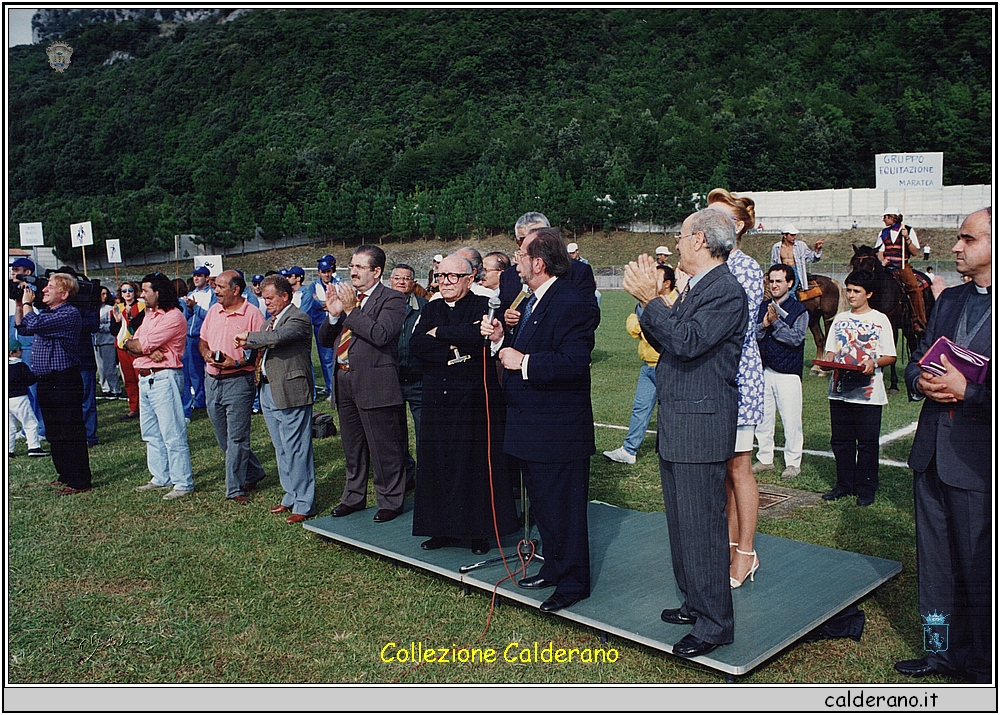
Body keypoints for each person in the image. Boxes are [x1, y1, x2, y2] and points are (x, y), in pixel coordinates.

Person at [622, 207, 747, 658]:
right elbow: (669, 339)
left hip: (700, 425)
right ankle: (696, 602)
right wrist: (651, 303)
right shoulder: (700, 287)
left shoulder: (726, 291)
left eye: (680, 236)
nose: (675, 244)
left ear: (699, 240)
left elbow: (686, 341)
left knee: (701, 528)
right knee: (682, 524)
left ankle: (715, 625)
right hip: (681, 421)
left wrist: (653, 301)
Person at [894, 207, 991, 684]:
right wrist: (920, 382)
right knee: (934, 567)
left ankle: (981, 667)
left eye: (967, 239)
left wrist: (967, 391)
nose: (956, 247)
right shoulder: (949, 299)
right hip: (930, 453)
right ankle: (939, 655)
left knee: (980, 573)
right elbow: (918, 357)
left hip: (978, 463)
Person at [480, 227, 596, 614]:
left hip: (558, 431)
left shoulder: (570, 302)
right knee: (546, 508)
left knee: (564, 511)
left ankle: (573, 582)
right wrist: (501, 341)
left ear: (539, 263)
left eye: (522, 254)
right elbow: (522, 351)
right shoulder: (533, 301)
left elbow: (574, 362)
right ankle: (554, 569)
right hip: (534, 428)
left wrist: (524, 361)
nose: (516, 260)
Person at [411, 254, 518, 554]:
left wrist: (441, 333)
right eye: (440, 276)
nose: (444, 282)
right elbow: (417, 345)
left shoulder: (484, 306)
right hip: (437, 398)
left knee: (472, 466)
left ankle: (478, 532)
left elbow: (481, 336)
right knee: (437, 463)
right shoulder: (431, 307)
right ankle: (440, 529)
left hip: (472, 398)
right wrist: (454, 346)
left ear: (470, 279)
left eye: (452, 276)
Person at [319, 245, 409, 523]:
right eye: (352, 266)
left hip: (375, 381)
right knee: (352, 445)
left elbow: (381, 334)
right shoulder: (349, 300)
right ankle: (353, 496)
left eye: (360, 267)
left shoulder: (392, 299)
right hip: (344, 378)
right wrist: (335, 315)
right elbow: (324, 340)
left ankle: (390, 500)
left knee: (384, 446)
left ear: (377, 271)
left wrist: (350, 311)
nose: (353, 272)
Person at [707, 188, 765, 590]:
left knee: (739, 467)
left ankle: (746, 552)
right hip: (715, 378)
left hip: (739, 378)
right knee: (726, 471)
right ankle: (729, 546)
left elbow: (731, 329)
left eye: (717, 217)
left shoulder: (745, 268)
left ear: (738, 226)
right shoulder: (710, 266)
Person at [236, 274, 316, 523]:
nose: (266, 302)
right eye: (263, 297)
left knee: (296, 449)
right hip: (268, 390)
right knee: (281, 448)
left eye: (270, 297)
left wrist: (248, 338)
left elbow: (277, 339)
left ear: (285, 296)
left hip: (291, 392)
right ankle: (290, 495)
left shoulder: (298, 319)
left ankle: (305, 503)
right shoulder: (268, 323)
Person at [820, 270, 896, 507]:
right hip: (840, 390)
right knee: (841, 441)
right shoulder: (840, 319)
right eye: (849, 290)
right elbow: (830, 349)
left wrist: (873, 363)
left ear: (869, 294)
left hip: (868, 394)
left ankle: (866, 488)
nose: (851, 295)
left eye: (857, 291)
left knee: (866, 442)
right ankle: (844, 484)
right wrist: (829, 359)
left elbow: (890, 355)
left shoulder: (880, 319)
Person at [14, 272, 94, 494]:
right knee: (54, 430)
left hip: (64, 378)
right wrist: (20, 304)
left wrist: (29, 303)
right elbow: (24, 328)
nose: (44, 290)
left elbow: (35, 323)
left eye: (50, 286)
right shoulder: (49, 313)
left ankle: (80, 480)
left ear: (64, 294)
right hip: (48, 380)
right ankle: (65, 473)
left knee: (70, 430)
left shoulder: (69, 313)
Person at [199, 270, 267, 504]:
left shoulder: (253, 314)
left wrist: (235, 362)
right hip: (212, 381)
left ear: (235, 290)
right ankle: (255, 471)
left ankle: (235, 488)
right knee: (223, 438)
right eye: (215, 286)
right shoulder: (213, 311)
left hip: (238, 382)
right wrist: (207, 353)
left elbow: (258, 349)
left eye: (219, 287)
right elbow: (203, 340)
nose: (215, 290)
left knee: (237, 438)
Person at [126, 273, 194, 500]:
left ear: (159, 292)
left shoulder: (173, 317)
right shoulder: (148, 315)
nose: (141, 295)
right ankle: (160, 476)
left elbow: (139, 344)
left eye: (145, 291)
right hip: (145, 377)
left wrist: (140, 346)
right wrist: (140, 347)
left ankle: (183, 481)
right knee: (151, 433)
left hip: (164, 378)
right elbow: (130, 341)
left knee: (172, 433)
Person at [603, 264, 677, 464]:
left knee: (669, 412)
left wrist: (644, 328)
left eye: (657, 279)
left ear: (668, 283)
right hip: (647, 367)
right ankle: (629, 450)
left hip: (667, 367)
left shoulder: (674, 303)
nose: (652, 282)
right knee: (640, 408)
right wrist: (643, 327)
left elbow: (662, 332)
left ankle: (670, 452)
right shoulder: (646, 302)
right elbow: (632, 322)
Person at [752, 264, 809, 480]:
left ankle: (793, 463)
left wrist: (775, 323)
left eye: (779, 281)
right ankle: (765, 458)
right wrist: (764, 324)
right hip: (765, 369)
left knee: (791, 420)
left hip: (788, 373)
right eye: (771, 281)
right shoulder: (763, 306)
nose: (774, 285)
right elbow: (754, 336)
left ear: (790, 283)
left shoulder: (799, 310)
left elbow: (796, 338)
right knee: (764, 419)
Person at [389, 263, 427, 488]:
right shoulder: (382, 307)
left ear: (413, 283)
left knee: (424, 429)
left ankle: (425, 475)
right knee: (395, 432)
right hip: (391, 378)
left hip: (418, 378)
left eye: (407, 278)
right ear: (390, 280)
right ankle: (404, 474)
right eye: (397, 278)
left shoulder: (424, 306)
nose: (402, 282)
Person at [875, 206, 927, 330]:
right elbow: (880, 251)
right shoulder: (883, 232)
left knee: (914, 289)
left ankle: (919, 321)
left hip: (902, 267)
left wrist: (907, 238)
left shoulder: (908, 230)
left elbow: (914, 252)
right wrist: (882, 261)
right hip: (887, 268)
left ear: (892, 218)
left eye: (885, 217)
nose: (883, 220)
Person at [9, 257, 45, 435]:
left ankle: (38, 427)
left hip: (31, 344)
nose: (13, 272)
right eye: (12, 269)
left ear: (28, 272)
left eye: (17, 269)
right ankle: (27, 425)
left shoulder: (34, 292)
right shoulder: (13, 290)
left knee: (34, 388)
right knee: (23, 390)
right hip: (16, 344)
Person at [304, 258, 341, 398]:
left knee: (341, 357)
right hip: (321, 325)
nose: (326, 274)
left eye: (328, 271)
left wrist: (324, 303)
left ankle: (340, 388)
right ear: (319, 273)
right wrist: (327, 303)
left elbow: (342, 300)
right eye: (323, 272)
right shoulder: (313, 286)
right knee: (326, 359)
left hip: (337, 324)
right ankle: (331, 389)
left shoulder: (339, 283)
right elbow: (313, 303)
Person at [182, 266, 216, 416]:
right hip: (191, 337)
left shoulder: (212, 294)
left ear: (207, 278)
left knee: (209, 368)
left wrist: (195, 307)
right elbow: (187, 317)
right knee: (194, 371)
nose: (196, 278)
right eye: (194, 275)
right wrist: (188, 309)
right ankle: (200, 400)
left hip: (205, 337)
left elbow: (210, 316)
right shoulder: (191, 294)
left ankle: (210, 398)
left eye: (199, 276)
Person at [8, 338, 47, 458]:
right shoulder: (20, 366)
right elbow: (29, 380)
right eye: (19, 350)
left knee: (9, 426)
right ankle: (34, 447)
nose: (22, 352)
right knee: (30, 423)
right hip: (19, 399)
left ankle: (9, 450)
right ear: (12, 353)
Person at [114, 280, 145, 420]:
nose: (127, 293)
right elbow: (113, 331)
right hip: (121, 347)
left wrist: (129, 317)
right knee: (129, 379)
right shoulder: (116, 308)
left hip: (135, 346)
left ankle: (144, 407)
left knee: (140, 377)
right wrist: (117, 321)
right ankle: (133, 408)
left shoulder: (142, 306)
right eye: (124, 291)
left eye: (130, 290)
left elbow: (138, 326)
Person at [770, 224, 824, 293]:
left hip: (795, 271)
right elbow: (773, 263)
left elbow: (811, 258)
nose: (794, 237)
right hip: (782, 272)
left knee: (791, 291)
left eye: (795, 235)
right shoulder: (776, 247)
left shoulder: (801, 245)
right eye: (792, 235)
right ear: (785, 235)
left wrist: (817, 250)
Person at [94, 286, 121, 399]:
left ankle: (115, 388)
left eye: (105, 294)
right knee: (101, 368)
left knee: (109, 367)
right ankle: (105, 388)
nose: (103, 296)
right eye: (101, 294)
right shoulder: (94, 309)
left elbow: (113, 324)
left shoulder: (111, 308)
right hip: (97, 341)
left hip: (108, 340)